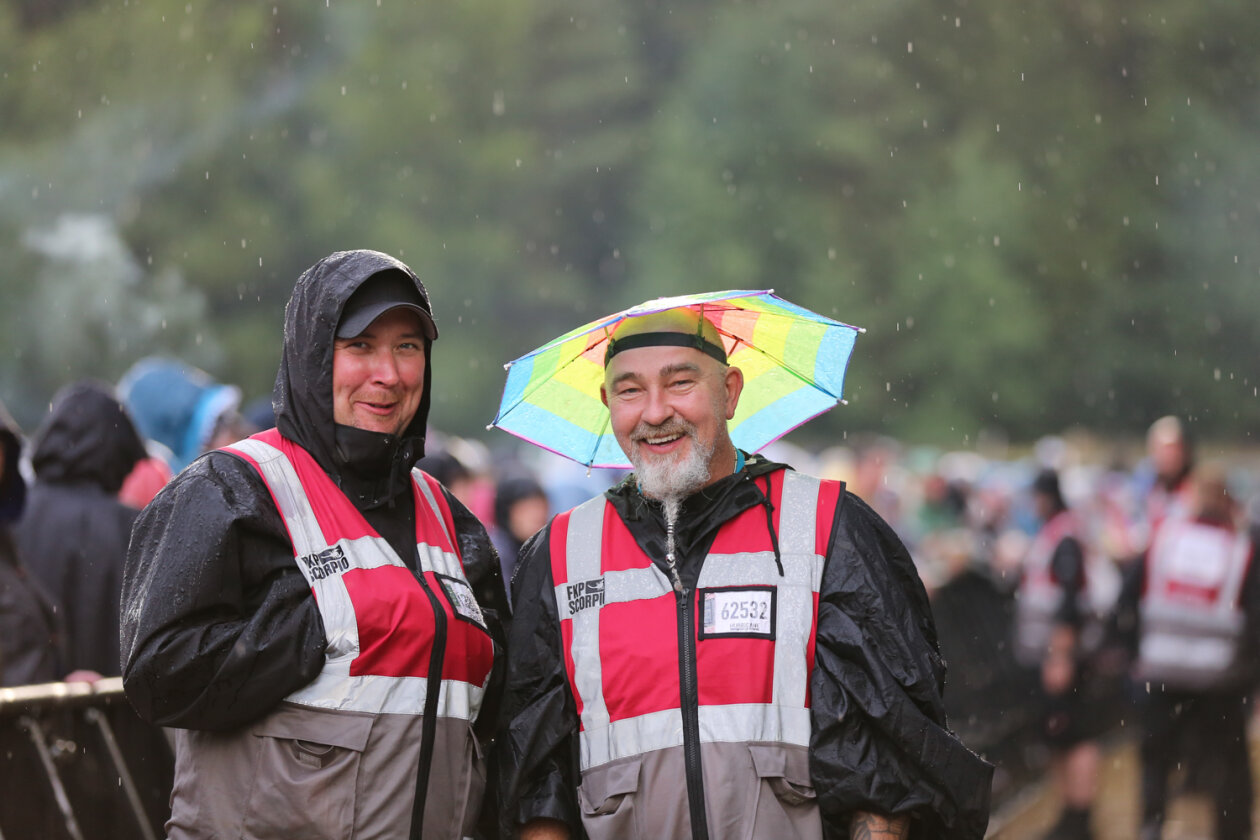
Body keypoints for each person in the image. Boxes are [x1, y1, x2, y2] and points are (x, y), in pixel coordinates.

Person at [497, 307, 992, 840]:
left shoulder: (827, 528)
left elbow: (886, 765)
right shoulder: (561, 553)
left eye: (681, 382)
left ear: (730, 392)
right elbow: (536, 778)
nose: (656, 412)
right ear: (607, 403)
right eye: (630, 391)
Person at [120, 249, 509, 840]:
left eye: (408, 347)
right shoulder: (229, 490)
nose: (389, 373)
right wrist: (329, 625)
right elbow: (159, 677)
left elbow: (493, 710)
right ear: (311, 358)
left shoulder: (453, 522)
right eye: (360, 347)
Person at [1111, 462, 1258, 840]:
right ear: (1228, 501)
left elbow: (1125, 600)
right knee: (1227, 768)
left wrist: (1130, 655)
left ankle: (1151, 827)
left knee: (1155, 762)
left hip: (1161, 674)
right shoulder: (1241, 550)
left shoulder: (1163, 540)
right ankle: (1230, 830)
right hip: (1220, 680)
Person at [14, 379, 147, 677]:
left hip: (26, 711)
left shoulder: (10, 518)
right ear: (118, 455)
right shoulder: (131, 527)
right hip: (109, 713)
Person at [1012, 469, 1102, 840]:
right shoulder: (1056, 533)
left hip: (1061, 656)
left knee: (1074, 735)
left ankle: (1079, 818)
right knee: (1061, 736)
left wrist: (1060, 657)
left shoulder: (1063, 537)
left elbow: (1068, 602)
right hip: (1051, 654)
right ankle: (1070, 815)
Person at [490, 472, 551, 596]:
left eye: (540, 507)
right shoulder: (495, 555)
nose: (537, 516)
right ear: (506, 513)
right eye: (526, 509)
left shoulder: (545, 548)